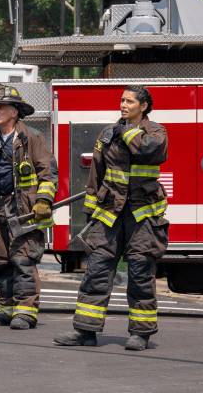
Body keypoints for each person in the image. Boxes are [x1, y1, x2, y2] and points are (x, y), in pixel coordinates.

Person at [54, 86, 168, 351]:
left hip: (142, 216)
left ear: (144, 106)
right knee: (97, 270)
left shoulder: (156, 133)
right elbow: (97, 173)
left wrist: (126, 131)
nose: (123, 105)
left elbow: (150, 151)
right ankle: (85, 331)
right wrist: (90, 213)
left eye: (129, 101)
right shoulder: (107, 134)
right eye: (122, 100)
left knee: (140, 272)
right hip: (109, 214)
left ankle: (141, 333)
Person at [0, 84, 58, 331]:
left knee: (23, 259)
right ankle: (7, 310)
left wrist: (43, 201)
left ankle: (25, 312)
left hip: (23, 208)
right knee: (0, 261)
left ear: (15, 111)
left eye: (2, 107)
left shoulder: (31, 137)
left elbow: (48, 172)